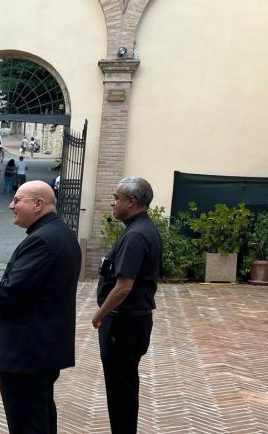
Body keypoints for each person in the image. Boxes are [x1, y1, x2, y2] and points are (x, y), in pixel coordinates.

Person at [0, 180, 81, 434]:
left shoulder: (42, 240)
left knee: (27, 422)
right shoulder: (60, 234)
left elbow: (15, 290)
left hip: (26, 351)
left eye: (17, 200)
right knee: (39, 415)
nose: (11, 205)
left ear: (38, 204)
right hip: (41, 348)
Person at [93, 177, 162, 434]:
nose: (113, 202)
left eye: (117, 197)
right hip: (133, 321)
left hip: (124, 323)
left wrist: (99, 315)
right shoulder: (142, 228)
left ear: (131, 201)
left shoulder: (136, 235)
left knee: (121, 388)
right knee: (123, 385)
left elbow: (124, 286)